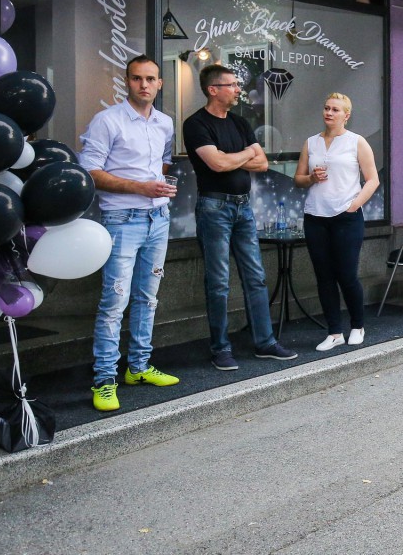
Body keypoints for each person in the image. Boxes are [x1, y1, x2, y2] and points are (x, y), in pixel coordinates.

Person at [78, 55, 179, 412]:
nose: (144, 85)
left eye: (150, 79)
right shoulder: (107, 120)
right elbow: (90, 171)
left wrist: (158, 187)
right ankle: (105, 380)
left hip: (158, 218)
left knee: (148, 298)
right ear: (127, 81)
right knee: (114, 303)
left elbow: (162, 162)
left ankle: (138, 368)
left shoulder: (165, 122)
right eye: (137, 78)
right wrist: (141, 187)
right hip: (122, 220)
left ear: (160, 84)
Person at [183, 64, 297, 370]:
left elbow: (262, 164)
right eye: (232, 85)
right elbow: (217, 165)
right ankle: (220, 348)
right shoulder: (195, 124)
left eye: (237, 84)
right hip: (214, 208)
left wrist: (233, 157)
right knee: (218, 281)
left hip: (243, 207)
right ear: (213, 90)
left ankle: (265, 342)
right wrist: (245, 155)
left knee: (255, 277)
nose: (238, 90)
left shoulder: (239, 122)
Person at [294, 93, 380, 351]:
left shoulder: (357, 142)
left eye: (335, 109)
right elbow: (298, 179)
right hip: (315, 217)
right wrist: (311, 178)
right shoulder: (311, 142)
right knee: (324, 276)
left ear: (346, 115)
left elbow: (372, 179)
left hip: (346, 217)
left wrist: (354, 205)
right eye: (326, 108)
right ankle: (334, 332)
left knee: (346, 274)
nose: (329, 113)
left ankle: (357, 326)